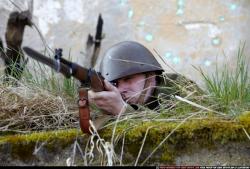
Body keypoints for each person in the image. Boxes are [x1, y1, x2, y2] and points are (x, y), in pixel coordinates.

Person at [88, 41, 202, 130]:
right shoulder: (116, 101)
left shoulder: (177, 86)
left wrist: (123, 111)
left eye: (128, 79)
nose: (120, 89)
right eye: (115, 84)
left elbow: (176, 131)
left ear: (150, 75)